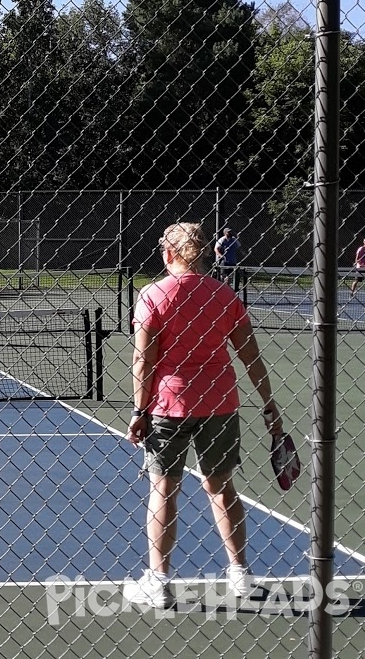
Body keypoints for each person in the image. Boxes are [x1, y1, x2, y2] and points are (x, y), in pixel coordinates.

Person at [124, 222, 284, 609]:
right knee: (222, 487)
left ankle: (159, 583)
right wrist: (268, 404)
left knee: (163, 489)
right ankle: (241, 575)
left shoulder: (152, 294)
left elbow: (143, 361)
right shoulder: (224, 294)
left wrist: (139, 411)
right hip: (221, 404)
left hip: (168, 405)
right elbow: (250, 356)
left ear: (168, 253)